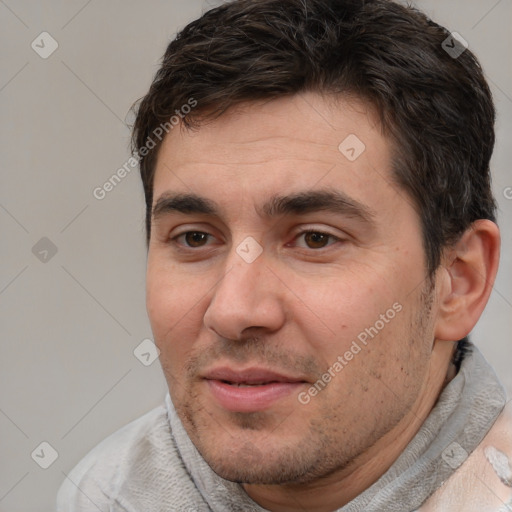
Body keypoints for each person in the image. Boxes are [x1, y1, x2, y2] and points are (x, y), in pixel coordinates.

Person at [56, 0, 512, 510]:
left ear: (459, 280)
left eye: (316, 239)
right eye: (195, 238)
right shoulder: (102, 494)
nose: (233, 311)